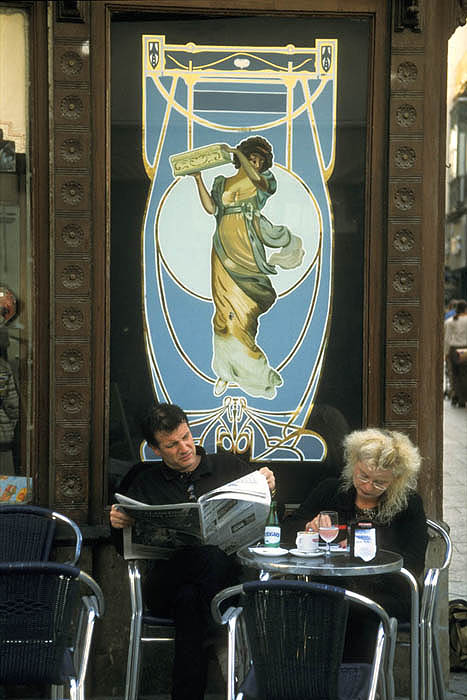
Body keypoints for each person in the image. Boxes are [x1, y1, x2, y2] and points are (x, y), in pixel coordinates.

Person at [110, 402, 275, 700]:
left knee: (191, 600)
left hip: (218, 584)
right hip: (165, 586)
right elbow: (123, 549)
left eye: (186, 436)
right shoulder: (143, 481)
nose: (185, 447)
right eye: (172, 445)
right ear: (155, 449)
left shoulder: (229, 467)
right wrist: (118, 524)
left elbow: (271, 519)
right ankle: (218, 631)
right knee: (202, 561)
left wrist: (269, 488)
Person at [283, 427, 428, 659]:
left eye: (380, 482)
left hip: (388, 590)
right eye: (363, 476)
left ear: (397, 479)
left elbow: (414, 561)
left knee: (347, 606)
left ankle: (351, 684)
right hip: (329, 586)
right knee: (303, 604)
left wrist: (367, 551)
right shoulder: (331, 490)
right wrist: (308, 528)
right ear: (353, 464)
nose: (369, 486)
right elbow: (288, 531)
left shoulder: (409, 505)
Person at [191, 136, 304, 399]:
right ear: (243, 155)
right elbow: (211, 209)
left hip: (247, 250)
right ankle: (225, 371)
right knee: (223, 312)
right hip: (222, 249)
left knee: (245, 312)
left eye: (258, 161)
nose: (255, 163)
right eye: (251, 157)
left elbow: (256, 178)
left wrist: (241, 157)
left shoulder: (262, 183)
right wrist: (198, 179)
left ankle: (256, 374)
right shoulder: (222, 183)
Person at [444, 299, 467, 407]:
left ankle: (455, 395)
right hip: (465, 349)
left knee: (454, 373)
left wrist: (446, 352)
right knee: (464, 373)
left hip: (454, 349)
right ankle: (463, 398)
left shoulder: (450, 322)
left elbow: (447, 339)